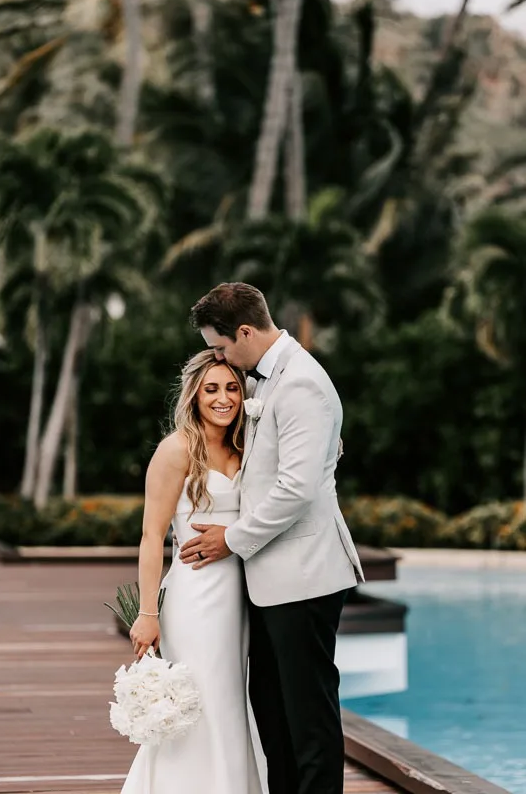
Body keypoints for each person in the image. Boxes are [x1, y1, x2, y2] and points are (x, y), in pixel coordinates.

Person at [179, 282, 364, 794]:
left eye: (220, 347)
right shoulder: (268, 378)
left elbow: (296, 488)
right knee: (272, 707)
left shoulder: (301, 381)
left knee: (308, 716)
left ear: (244, 331)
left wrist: (231, 539)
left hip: (303, 575)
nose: (219, 358)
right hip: (271, 577)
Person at [124, 349, 267, 794]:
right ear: (194, 395)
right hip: (194, 598)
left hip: (240, 595)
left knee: (230, 701)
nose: (223, 398)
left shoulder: (248, 445)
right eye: (212, 389)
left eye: (231, 388)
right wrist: (148, 613)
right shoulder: (176, 450)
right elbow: (151, 538)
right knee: (198, 699)